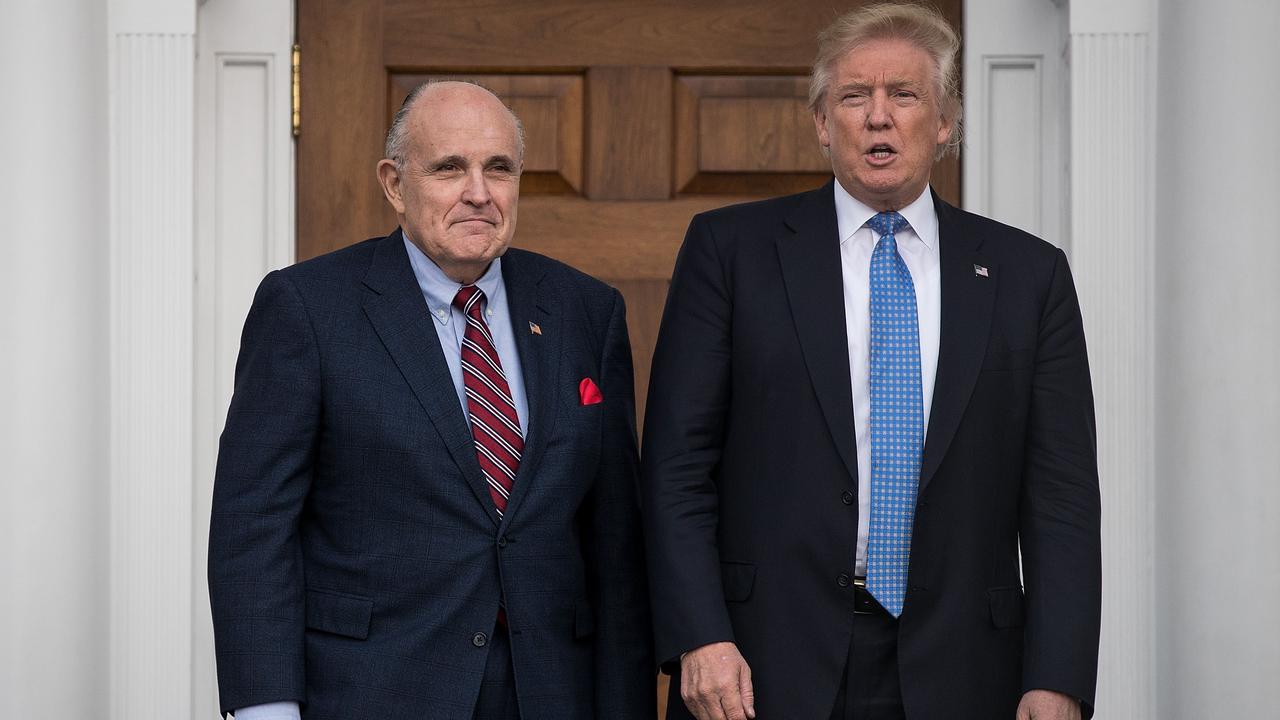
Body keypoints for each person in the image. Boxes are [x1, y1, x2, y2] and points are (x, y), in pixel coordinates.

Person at [641, 4, 1101, 720]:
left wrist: (1058, 677)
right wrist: (699, 634)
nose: (877, 117)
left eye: (904, 95)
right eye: (854, 97)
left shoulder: (1027, 275)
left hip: (966, 668)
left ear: (946, 122)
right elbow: (675, 467)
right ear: (824, 124)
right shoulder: (731, 253)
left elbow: (1061, 499)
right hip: (760, 664)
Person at [208, 81, 654, 720]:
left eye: (498, 168)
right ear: (394, 184)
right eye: (449, 168)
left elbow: (615, 541)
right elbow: (253, 525)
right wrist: (267, 708)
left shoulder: (585, 309)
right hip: (371, 691)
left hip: (552, 691)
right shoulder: (308, 307)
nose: (479, 192)